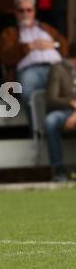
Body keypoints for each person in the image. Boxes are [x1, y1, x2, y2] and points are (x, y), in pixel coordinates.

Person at [0, 0, 67, 126]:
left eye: (29, 10)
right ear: (15, 12)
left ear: (34, 11)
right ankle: (39, 129)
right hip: (29, 70)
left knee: (69, 88)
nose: (25, 14)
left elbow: (64, 46)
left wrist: (53, 45)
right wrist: (28, 46)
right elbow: (5, 55)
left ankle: (64, 126)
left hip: (57, 67)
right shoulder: (10, 33)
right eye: (21, 10)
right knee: (28, 92)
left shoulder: (46, 28)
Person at [45, 42, 76, 182]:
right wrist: (70, 103)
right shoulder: (58, 69)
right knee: (51, 120)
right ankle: (58, 170)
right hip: (64, 111)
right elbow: (51, 99)